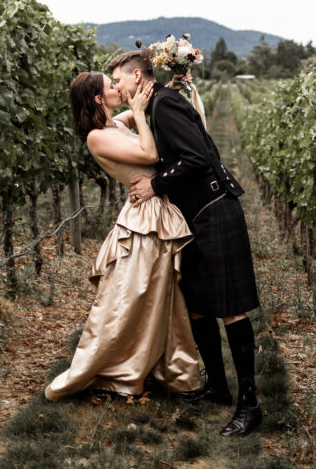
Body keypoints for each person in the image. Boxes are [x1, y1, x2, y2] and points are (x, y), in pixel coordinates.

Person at [109, 50, 263, 437]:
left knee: (230, 308)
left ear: (138, 76)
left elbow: (195, 157)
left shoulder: (164, 105)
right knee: (197, 306)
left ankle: (250, 404)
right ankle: (218, 387)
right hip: (193, 216)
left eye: (119, 80)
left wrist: (155, 184)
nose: (117, 87)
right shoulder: (155, 104)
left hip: (214, 209)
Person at [44, 72, 200, 401]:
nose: (118, 88)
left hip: (156, 211)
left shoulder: (115, 123)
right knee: (134, 298)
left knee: (157, 296)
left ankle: (165, 366)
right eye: (111, 85)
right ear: (99, 99)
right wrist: (141, 114)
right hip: (142, 222)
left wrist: (169, 85)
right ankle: (118, 369)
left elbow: (143, 102)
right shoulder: (96, 138)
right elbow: (149, 156)